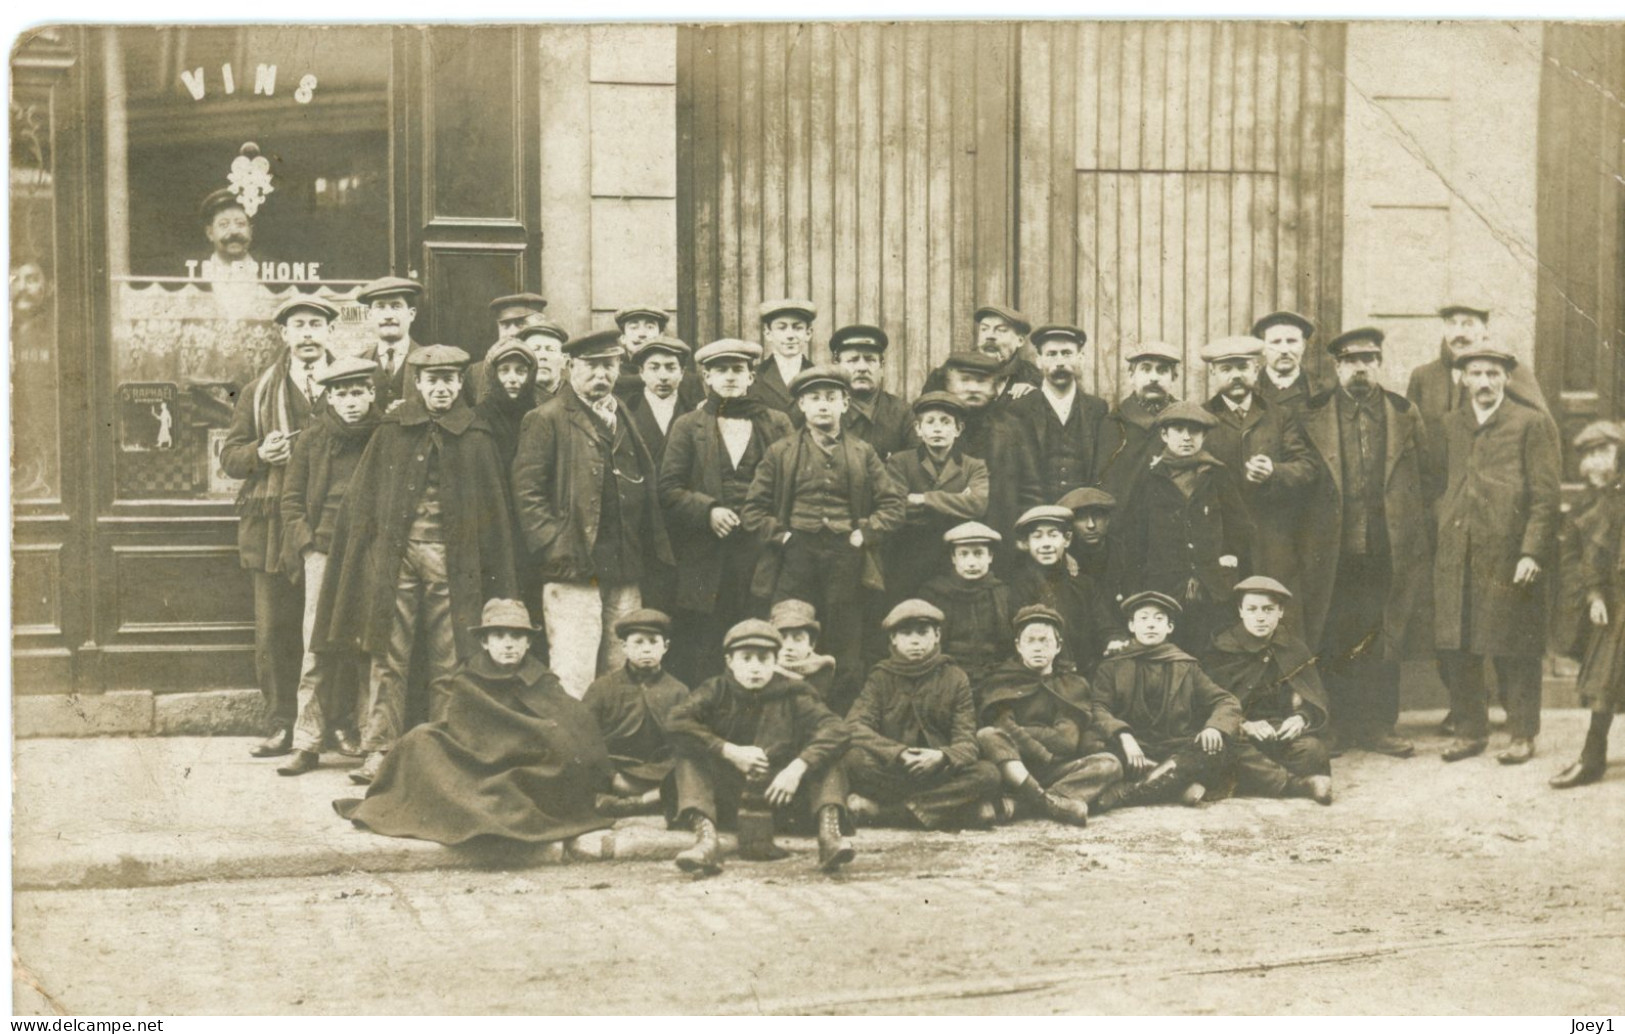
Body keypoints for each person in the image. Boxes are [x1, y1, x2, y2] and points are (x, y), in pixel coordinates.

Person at [312, 345, 519, 785]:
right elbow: (363, 503)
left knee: (451, 656)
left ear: (460, 383)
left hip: (453, 559)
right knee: (388, 655)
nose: (441, 388)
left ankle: (446, 749)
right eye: (432, 380)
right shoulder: (392, 430)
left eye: (449, 380)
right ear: (418, 384)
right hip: (397, 560)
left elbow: (493, 514)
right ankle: (379, 748)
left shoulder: (476, 434)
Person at [333, 599, 612, 846]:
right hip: (475, 759)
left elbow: (573, 722)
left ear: (528, 643)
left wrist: (545, 735)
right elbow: (465, 730)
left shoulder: (542, 681)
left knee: (551, 758)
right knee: (419, 740)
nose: (508, 643)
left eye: (517, 636)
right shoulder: (468, 679)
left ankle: (484, 805)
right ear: (485, 642)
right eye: (499, 635)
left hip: (526, 761)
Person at [1296, 327, 1435, 759]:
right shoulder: (1313, 413)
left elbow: (1428, 478)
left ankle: (1379, 726)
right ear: (1337, 367)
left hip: (1386, 547)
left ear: (1379, 364)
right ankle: (1334, 724)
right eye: (1351, 361)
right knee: (1333, 633)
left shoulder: (1403, 412)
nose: (1361, 368)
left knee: (1384, 633)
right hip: (1332, 548)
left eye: (1369, 360)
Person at [512, 328, 673, 699]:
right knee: (574, 667)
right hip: (573, 564)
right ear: (570, 366)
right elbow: (527, 490)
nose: (602, 375)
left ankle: (617, 747)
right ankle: (574, 750)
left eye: (609, 366)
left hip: (623, 562)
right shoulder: (547, 417)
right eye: (592, 366)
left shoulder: (622, 415)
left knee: (622, 667)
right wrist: (553, 543)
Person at [742, 364, 906, 714]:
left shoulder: (863, 452)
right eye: (813, 398)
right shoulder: (781, 452)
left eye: (831, 398)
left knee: (845, 637)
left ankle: (841, 717)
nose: (822, 405)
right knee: (790, 632)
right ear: (801, 405)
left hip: (846, 554)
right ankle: (785, 712)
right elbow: (753, 510)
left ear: (845, 404)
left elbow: (892, 504)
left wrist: (865, 533)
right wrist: (783, 537)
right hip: (795, 554)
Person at [220, 295, 340, 758]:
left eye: (316, 324)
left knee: (331, 624)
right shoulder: (258, 390)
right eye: (299, 325)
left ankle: (335, 722)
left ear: (329, 332)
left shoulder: (348, 383)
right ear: (284, 335)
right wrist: (258, 455)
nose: (308, 333)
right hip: (272, 528)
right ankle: (281, 724)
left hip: (327, 522)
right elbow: (230, 456)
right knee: (276, 628)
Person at [1435, 344, 1561, 765]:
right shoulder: (1451, 424)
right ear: (1463, 379)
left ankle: (1522, 733)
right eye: (1476, 374)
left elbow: (1546, 497)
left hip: (1510, 556)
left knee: (1515, 646)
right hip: (1458, 552)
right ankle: (1471, 732)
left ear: (1507, 378)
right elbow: (1437, 483)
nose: (1485, 382)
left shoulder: (1530, 423)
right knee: (1461, 645)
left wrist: (1531, 552)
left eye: (1493, 373)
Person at [665, 619, 856, 876]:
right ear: (730, 661)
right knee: (688, 756)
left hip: (781, 796)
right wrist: (729, 751)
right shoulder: (715, 690)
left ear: (775, 662)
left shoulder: (794, 693)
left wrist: (797, 767)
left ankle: (830, 837)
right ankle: (706, 841)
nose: (755, 668)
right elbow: (676, 722)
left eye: (764, 659)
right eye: (746, 658)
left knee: (829, 758)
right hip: (728, 799)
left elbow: (838, 729)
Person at [659, 339, 794, 685]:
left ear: (751, 376)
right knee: (707, 645)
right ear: (707, 376)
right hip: (707, 554)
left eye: (738, 370)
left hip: (761, 551)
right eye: (721, 370)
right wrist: (708, 511)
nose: (730, 377)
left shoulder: (777, 423)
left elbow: (793, 484)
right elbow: (668, 489)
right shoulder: (688, 426)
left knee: (758, 635)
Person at [275, 356, 380, 775]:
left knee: (370, 645)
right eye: (341, 393)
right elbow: (291, 499)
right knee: (316, 647)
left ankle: (371, 741)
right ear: (329, 397)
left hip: (370, 551)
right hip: (322, 551)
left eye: (358, 392)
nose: (351, 402)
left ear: (371, 394)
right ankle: (307, 741)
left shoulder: (385, 437)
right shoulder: (314, 439)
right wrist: (305, 545)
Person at [843, 600, 1003, 829]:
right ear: (893, 639)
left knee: (988, 774)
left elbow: (967, 742)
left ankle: (886, 814)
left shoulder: (955, 677)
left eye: (923, 632)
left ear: (937, 635)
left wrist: (941, 757)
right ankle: (951, 810)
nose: (915, 640)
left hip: (939, 775)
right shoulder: (880, 677)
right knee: (853, 759)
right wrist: (898, 754)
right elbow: (854, 726)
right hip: (894, 773)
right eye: (906, 633)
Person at [1113, 401, 1253, 653]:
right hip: (1164, 584)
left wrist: (1228, 555)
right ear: (1164, 435)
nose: (1187, 437)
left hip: (1212, 586)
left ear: (1205, 435)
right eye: (1178, 430)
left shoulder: (1217, 474)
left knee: (1213, 648)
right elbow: (1134, 535)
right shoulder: (1150, 477)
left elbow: (1240, 525)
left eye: (1195, 431)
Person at [1198, 335, 1317, 631]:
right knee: (1225, 615)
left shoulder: (1279, 416)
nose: (1236, 375)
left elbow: (1307, 467)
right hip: (1221, 537)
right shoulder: (1200, 418)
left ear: (1256, 369)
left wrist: (1275, 471)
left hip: (1272, 535)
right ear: (1213, 374)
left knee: (1277, 616)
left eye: (1242, 367)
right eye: (1226, 369)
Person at [1090, 592, 1243, 810]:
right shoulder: (1112, 666)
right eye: (1143, 618)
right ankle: (1174, 784)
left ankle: (1127, 793)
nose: (1151, 625)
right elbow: (1098, 707)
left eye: (1159, 619)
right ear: (1131, 626)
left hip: (1174, 747)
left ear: (1170, 627)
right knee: (1096, 749)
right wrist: (1124, 735)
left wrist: (1214, 728)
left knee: (1215, 750)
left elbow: (1226, 701)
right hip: (1133, 749)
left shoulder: (1186, 666)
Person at [975, 605, 1122, 825]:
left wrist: (1023, 732)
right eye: (1030, 641)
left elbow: (1066, 741)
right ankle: (1051, 803)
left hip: (1055, 769)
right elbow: (1003, 728)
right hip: (1013, 768)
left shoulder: (1072, 685)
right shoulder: (1002, 680)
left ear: (1058, 646)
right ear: (1018, 646)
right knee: (987, 735)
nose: (1037, 648)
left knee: (1110, 763)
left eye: (1044, 641)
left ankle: (1024, 804)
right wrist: (1042, 749)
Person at [1202, 577, 1333, 804]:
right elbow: (1206, 703)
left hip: (1277, 732)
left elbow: (1312, 697)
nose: (1260, 616)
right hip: (1238, 733)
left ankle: (1256, 778)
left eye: (1268, 609)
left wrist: (1300, 719)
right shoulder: (1222, 648)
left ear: (1280, 612)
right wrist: (1244, 724)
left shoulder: (1293, 648)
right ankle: (1298, 785)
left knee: (1313, 750)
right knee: (1221, 750)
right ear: (1241, 611)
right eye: (1252, 609)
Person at [1552, 422, 1625, 789]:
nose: (1595, 462)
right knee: (1604, 679)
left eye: (1604, 453)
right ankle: (1592, 758)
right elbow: (1585, 557)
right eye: (1589, 455)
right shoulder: (1592, 501)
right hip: (1616, 602)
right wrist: (1594, 596)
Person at [1405, 301, 1550, 479]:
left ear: (1485, 329)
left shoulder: (1511, 373)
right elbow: (1409, 441)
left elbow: (1541, 438)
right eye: (1452, 323)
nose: (1459, 333)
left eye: (1468, 324)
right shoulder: (1423, 376)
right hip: (1438, 496)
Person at [882, 391, 991, 601]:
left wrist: (923, 499)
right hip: (908, 554)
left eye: (945, 422)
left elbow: (978, 505)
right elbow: (896, 506)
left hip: (952, 555)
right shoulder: (900, 462)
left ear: (958, 429)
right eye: (930, 422)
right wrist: (958, 501)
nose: (938, 428)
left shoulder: (973, 466)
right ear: (918, 429)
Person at [582, 608, 690, 817]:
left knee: (694, 772)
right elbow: (584, 736)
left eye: (653, 642)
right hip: (614, 770)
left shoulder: (678, 690)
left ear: (665, 647)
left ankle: (638, 803)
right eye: (638, 642)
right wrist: (612, 775)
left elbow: (687, 741)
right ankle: (646, 800)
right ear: (624, 647)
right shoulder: (603, 687)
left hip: (661, 773)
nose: (646, 649)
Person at [939, 350, 1044, 550]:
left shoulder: (1013, 430)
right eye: (965, 380)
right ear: (949, 385)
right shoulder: (935, 428)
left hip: (1001, 540)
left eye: (981, 381)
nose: (973, 388)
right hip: (944, 542)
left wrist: (1024, 537)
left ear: (995, 387)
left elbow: (1030, 491)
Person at [1005, 505, 1122, 676]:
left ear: (1067, 539)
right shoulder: (1019, 586)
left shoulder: (1083, 584)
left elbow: (1105, 623)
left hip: (1083, 672)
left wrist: (1113, 640)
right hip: (1036, 673)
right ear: (1026, 543)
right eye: (1037, 537)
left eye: (1053, 535)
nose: (1046, 544)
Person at [1009, 324, 1111, 504]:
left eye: (1067, 353)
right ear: (1039, 361)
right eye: (1051, 354)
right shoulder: (1020, 409)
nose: (1060, 361)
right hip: (1038, 513)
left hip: (1083, 511)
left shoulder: (1097, 409)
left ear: (1081, 358)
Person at [919, 522, 1014, 689]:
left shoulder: (1002, 593)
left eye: (978, 554)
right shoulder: (934, 593)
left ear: (990, 556)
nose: (971, 563)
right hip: (945, 676)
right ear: (953, 558)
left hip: (995, 677)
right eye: (964, 554)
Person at [1098, 340, 1183, 506]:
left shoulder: (1185, 423)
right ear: (1131, 376)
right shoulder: (1114, 423)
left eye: (1162, 370)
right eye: (1145, 369)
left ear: (1174, 378)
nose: (1153, 378)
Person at [921, 303, 1043, 406]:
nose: (990, 336)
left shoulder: (1032, 377)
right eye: (984, 329)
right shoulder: (948, 373)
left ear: (1020, 340)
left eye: (1001, 330)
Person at [829, 324, 912, 461]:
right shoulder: (825, 411)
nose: (862, 367)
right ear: (836, 366)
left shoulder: (903, 413)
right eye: (853, 360)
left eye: (870, 360)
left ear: (882, 367)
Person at [355, 276, 428, 411]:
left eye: (396, 306)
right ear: (370, 315)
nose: (388, 315)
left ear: (411, 314)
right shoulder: (357, 363)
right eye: (380, 307)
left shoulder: (429, 360)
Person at [623, 335, 697, 468]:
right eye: (654, 368)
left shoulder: (694, 412)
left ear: (682, 373)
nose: (663, 376)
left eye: (670, 368)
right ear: (642, 373)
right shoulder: (625, 411)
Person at [471, 293, 549, 402]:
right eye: (505, 325)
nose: (512, 332)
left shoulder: (552, 370)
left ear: (541, 326)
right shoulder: (476, 374)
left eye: (521, 324)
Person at [474, 339, 539, 469]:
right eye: (504, 370)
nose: (513, 379)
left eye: (520, 371)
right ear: (493, 375)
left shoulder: (540, 416)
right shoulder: (477, 418)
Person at [746, 299, 816, 413]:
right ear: (768, 334)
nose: (790, 335)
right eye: (782, 328)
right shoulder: (753, 377)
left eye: (797, 328)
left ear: (808, 334)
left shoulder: (818, 376)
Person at [1251, 311, 1320, 413]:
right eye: (1276, 342)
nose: (1284, 350)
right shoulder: (1250, 389)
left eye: (1291, 341)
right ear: (1263, 348)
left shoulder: (1320, 391)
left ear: (1303, 346)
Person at [771, 599, 837, 701]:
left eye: (798, 639)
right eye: (782, 638)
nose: (789, 647)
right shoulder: (763, 668)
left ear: (811, 644)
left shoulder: (820, 670)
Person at [1057, 486, 1117, 592]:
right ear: (1070, 525)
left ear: (1107, 520)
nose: (1091, 525)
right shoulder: (1062, 559)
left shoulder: (1123, 554)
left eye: (1097, 516)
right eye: (1081, 518)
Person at [194, 188, 259, 280]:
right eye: (224, 224)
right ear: (210, 233)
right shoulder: (194, 274)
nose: (234, 231)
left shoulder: (272, 273)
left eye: (240, 223)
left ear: (250, 231)